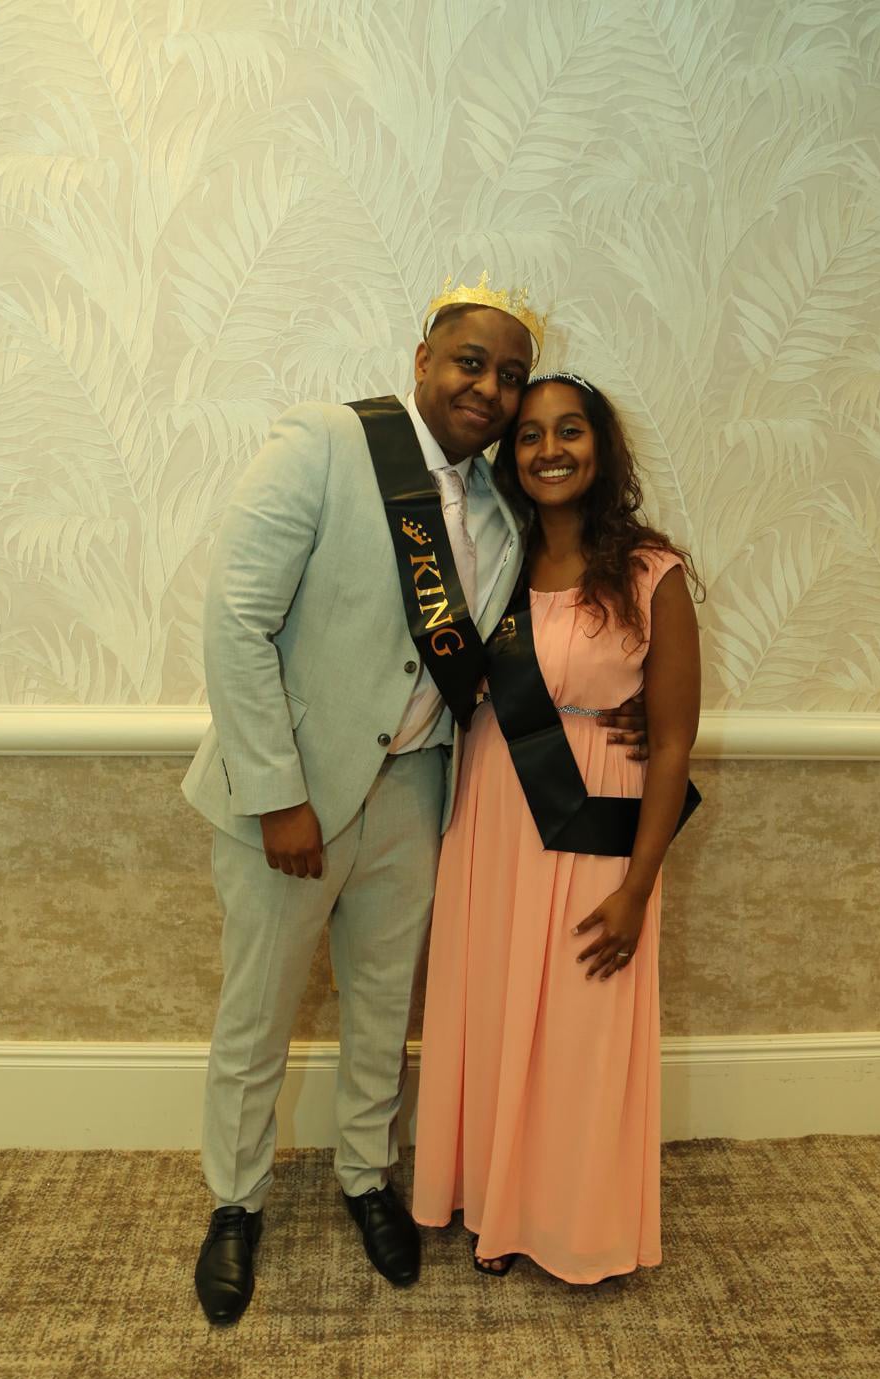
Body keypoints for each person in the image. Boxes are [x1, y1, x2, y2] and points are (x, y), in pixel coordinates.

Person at [182, 276, 646, 1325]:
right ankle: (234, 1205)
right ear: (424, 358)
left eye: (510, 375)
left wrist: (639, 713)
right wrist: (277, 794)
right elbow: (235, 622)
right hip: (295, 795)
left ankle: (364, 1178)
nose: (490, 390)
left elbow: (546, 644)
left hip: (419, 787)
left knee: (384, 1006)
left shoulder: (501, 506)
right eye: (470, 363)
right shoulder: (323, 442)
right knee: (256, 1013)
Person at [411, 371, 702, 1285]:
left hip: (593, 824)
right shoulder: (489, 560)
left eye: (569, 430)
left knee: (579, 1029)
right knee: (496, 1011)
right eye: (530, 434)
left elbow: (673, 741)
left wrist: (638, 890)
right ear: (511, 456)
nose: (549, 450)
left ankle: (569, 1221)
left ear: (600, 447)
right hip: (493, 814)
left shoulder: (652, 574)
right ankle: (495, 1206)